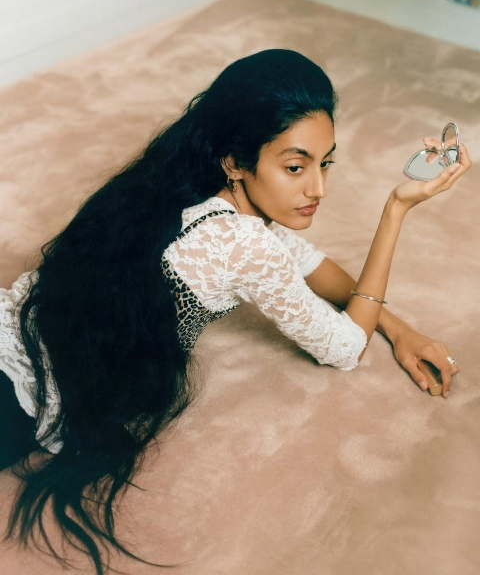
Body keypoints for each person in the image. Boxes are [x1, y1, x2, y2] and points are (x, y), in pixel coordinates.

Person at [0, 49, 471, 574]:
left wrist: (399, 329)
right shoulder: (243, 243)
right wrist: (396, 209)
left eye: (325, 163)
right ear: (236, 161)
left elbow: (312, 265)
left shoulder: (191, 180)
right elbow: (344, 347)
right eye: (295, 167)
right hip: (19, 389)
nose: (318, 188)